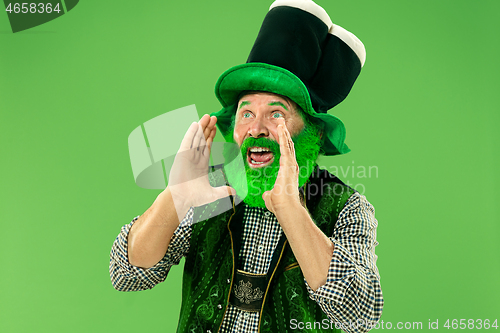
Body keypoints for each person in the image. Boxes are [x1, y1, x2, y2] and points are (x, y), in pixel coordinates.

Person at [110, 1, 383, 332]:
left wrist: (291, 211)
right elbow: (127, 274)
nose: (257, 129)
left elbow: (362, 314)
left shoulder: (346, 206)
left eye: (276, 113)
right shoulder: (208, 191)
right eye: (246, 113)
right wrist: (176, 197)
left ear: (309, 131)